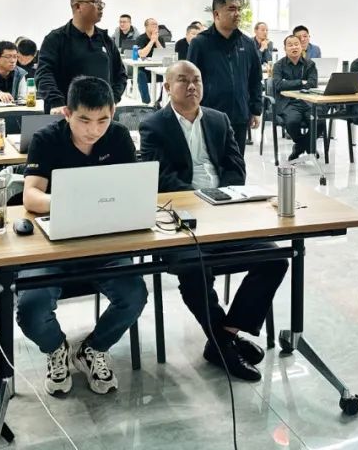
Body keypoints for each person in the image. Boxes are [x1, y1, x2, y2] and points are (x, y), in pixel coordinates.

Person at [139, 61, 287, 382]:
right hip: (180, 219)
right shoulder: (154, 125)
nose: (192, 86)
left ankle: (225, 335)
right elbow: (159, 177)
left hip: (224, 212)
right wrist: (197, 198)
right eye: (183, 80)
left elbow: (236, 166)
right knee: (194, 266)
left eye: (197, 80)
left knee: (275, 257)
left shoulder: (219, 119)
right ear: (167, 87)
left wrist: (220, 196)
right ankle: (223, 346)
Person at [20, 77, 148, 396]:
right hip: (54, 242)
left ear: (113, 112)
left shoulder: (118, 137)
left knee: (134, 294)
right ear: (67, 113)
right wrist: (72, 201)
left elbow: (131, 188)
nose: (94, 130)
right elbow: (31, 196)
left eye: (103, 120)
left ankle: (93, 348)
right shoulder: (46, 138)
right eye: (84, 120)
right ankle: (56, 348)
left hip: (103, 239)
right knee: (31, 308)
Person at [36, 0, 128, 115]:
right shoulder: (56, 39)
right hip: (66, 113)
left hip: (100, 115)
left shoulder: (106, 40)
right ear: (77, 6)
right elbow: (44, 74)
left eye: (101, 2)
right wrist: (56, 102)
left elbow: (121, 75)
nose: (100, 6)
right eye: (95, 1)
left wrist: (113, 99)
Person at [188, 0, 262, 153]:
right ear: (216, 14)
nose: (238, 14)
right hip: (209, 116)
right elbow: (190, 81)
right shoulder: (200, 43)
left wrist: (256, 109)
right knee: (210, 162)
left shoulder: (247, 44)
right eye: (232, 9)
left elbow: (255, 78)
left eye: (239, 9)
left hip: (239, 116)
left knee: (236, 162)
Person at [271, 35, 319, 161]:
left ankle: (299, 147)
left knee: (320, 122)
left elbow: (312, 83)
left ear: (301, 46)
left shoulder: (310, 64)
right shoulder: (278, 65)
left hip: (307, 101)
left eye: (296, 44)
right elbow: (278, 85)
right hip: (288, 103)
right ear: (285, 48)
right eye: (290, 45)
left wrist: (288, 83)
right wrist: (301, 82)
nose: (294, 47)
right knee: (292, 122)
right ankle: (307, 145)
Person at [132, 17, 166, 103]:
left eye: (156, 24)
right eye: (153, 24)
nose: (155, 26)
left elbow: (163, 55)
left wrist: (156, 40)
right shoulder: (140, 39)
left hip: (157, 68)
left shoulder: (160, 39)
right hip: (144, 69)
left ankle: (160, 100)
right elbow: (142, 54)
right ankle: (146, 101)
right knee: (140, 75)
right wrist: (151, 41)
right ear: (146, 27)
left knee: (169, 75)